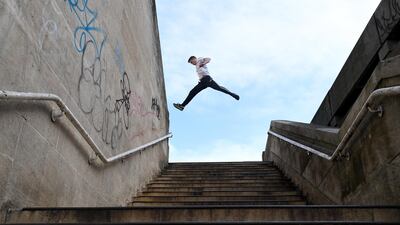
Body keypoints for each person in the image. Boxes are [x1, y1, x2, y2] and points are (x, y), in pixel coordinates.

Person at [173, 56, 240, 111]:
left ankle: (233, 94)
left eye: (191, 62)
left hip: (207, 79)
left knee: (219, 88)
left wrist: (204, 63)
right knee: (192, 92)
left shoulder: (199, 59)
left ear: (194, 59)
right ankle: (182, 106)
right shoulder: (196, 66)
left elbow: (208, 59)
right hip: (202, 82)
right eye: (191, 63)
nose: (192, 64)